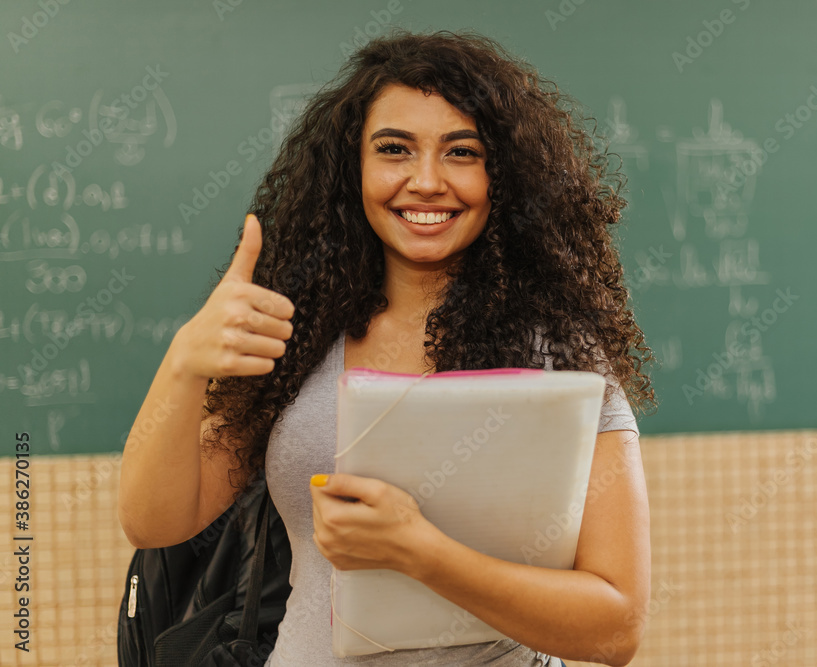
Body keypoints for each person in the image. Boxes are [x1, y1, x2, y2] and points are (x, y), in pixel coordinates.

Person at [118, 29, 658, 666]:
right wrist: (184, 364)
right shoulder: (295, 334)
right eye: (395, 149)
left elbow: (615, 627)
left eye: (462, 152)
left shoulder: (564, 355)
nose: (426, 181)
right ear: (355, 168)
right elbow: (155, 523)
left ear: (503, 176)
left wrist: (419, 552)